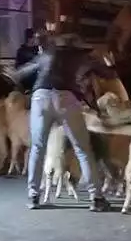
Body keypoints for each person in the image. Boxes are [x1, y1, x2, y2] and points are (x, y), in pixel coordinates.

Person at [10, 33, 114, 212]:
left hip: (40, 97)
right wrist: (110, 63)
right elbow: (108, 74)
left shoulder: (48, 54)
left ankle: (34, 196)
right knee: (82, 148)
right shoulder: (83, 57)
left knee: (37, 147)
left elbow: (19, 74)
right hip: (66, 98)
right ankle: (96, 197)